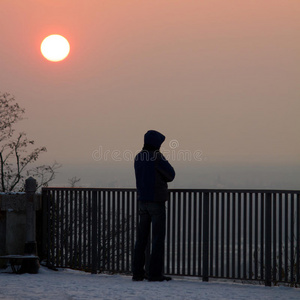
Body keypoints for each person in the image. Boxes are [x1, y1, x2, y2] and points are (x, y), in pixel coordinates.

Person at [132, 130, 175, 282]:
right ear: (157, 144)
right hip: (156, 201)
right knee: (157, 239)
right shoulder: (156, 157)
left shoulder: (139, 157)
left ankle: (137, 272)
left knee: (141, 239)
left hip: (142, 201)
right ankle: (155, 274)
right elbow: (171, 174)